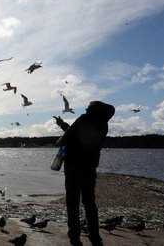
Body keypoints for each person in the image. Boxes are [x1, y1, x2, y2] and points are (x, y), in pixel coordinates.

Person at [54, 101, 115, 246]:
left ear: (92, 110)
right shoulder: (103, 124)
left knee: (72, 203)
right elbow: (81, 136)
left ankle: (75, 237)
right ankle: (95, 237)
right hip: (90, 168)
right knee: (89, 203)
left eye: (88, 107)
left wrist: (60, 140)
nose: (86, 109)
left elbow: (66, 139)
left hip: (74, 167)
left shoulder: (83, 119)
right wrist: (63, 125)